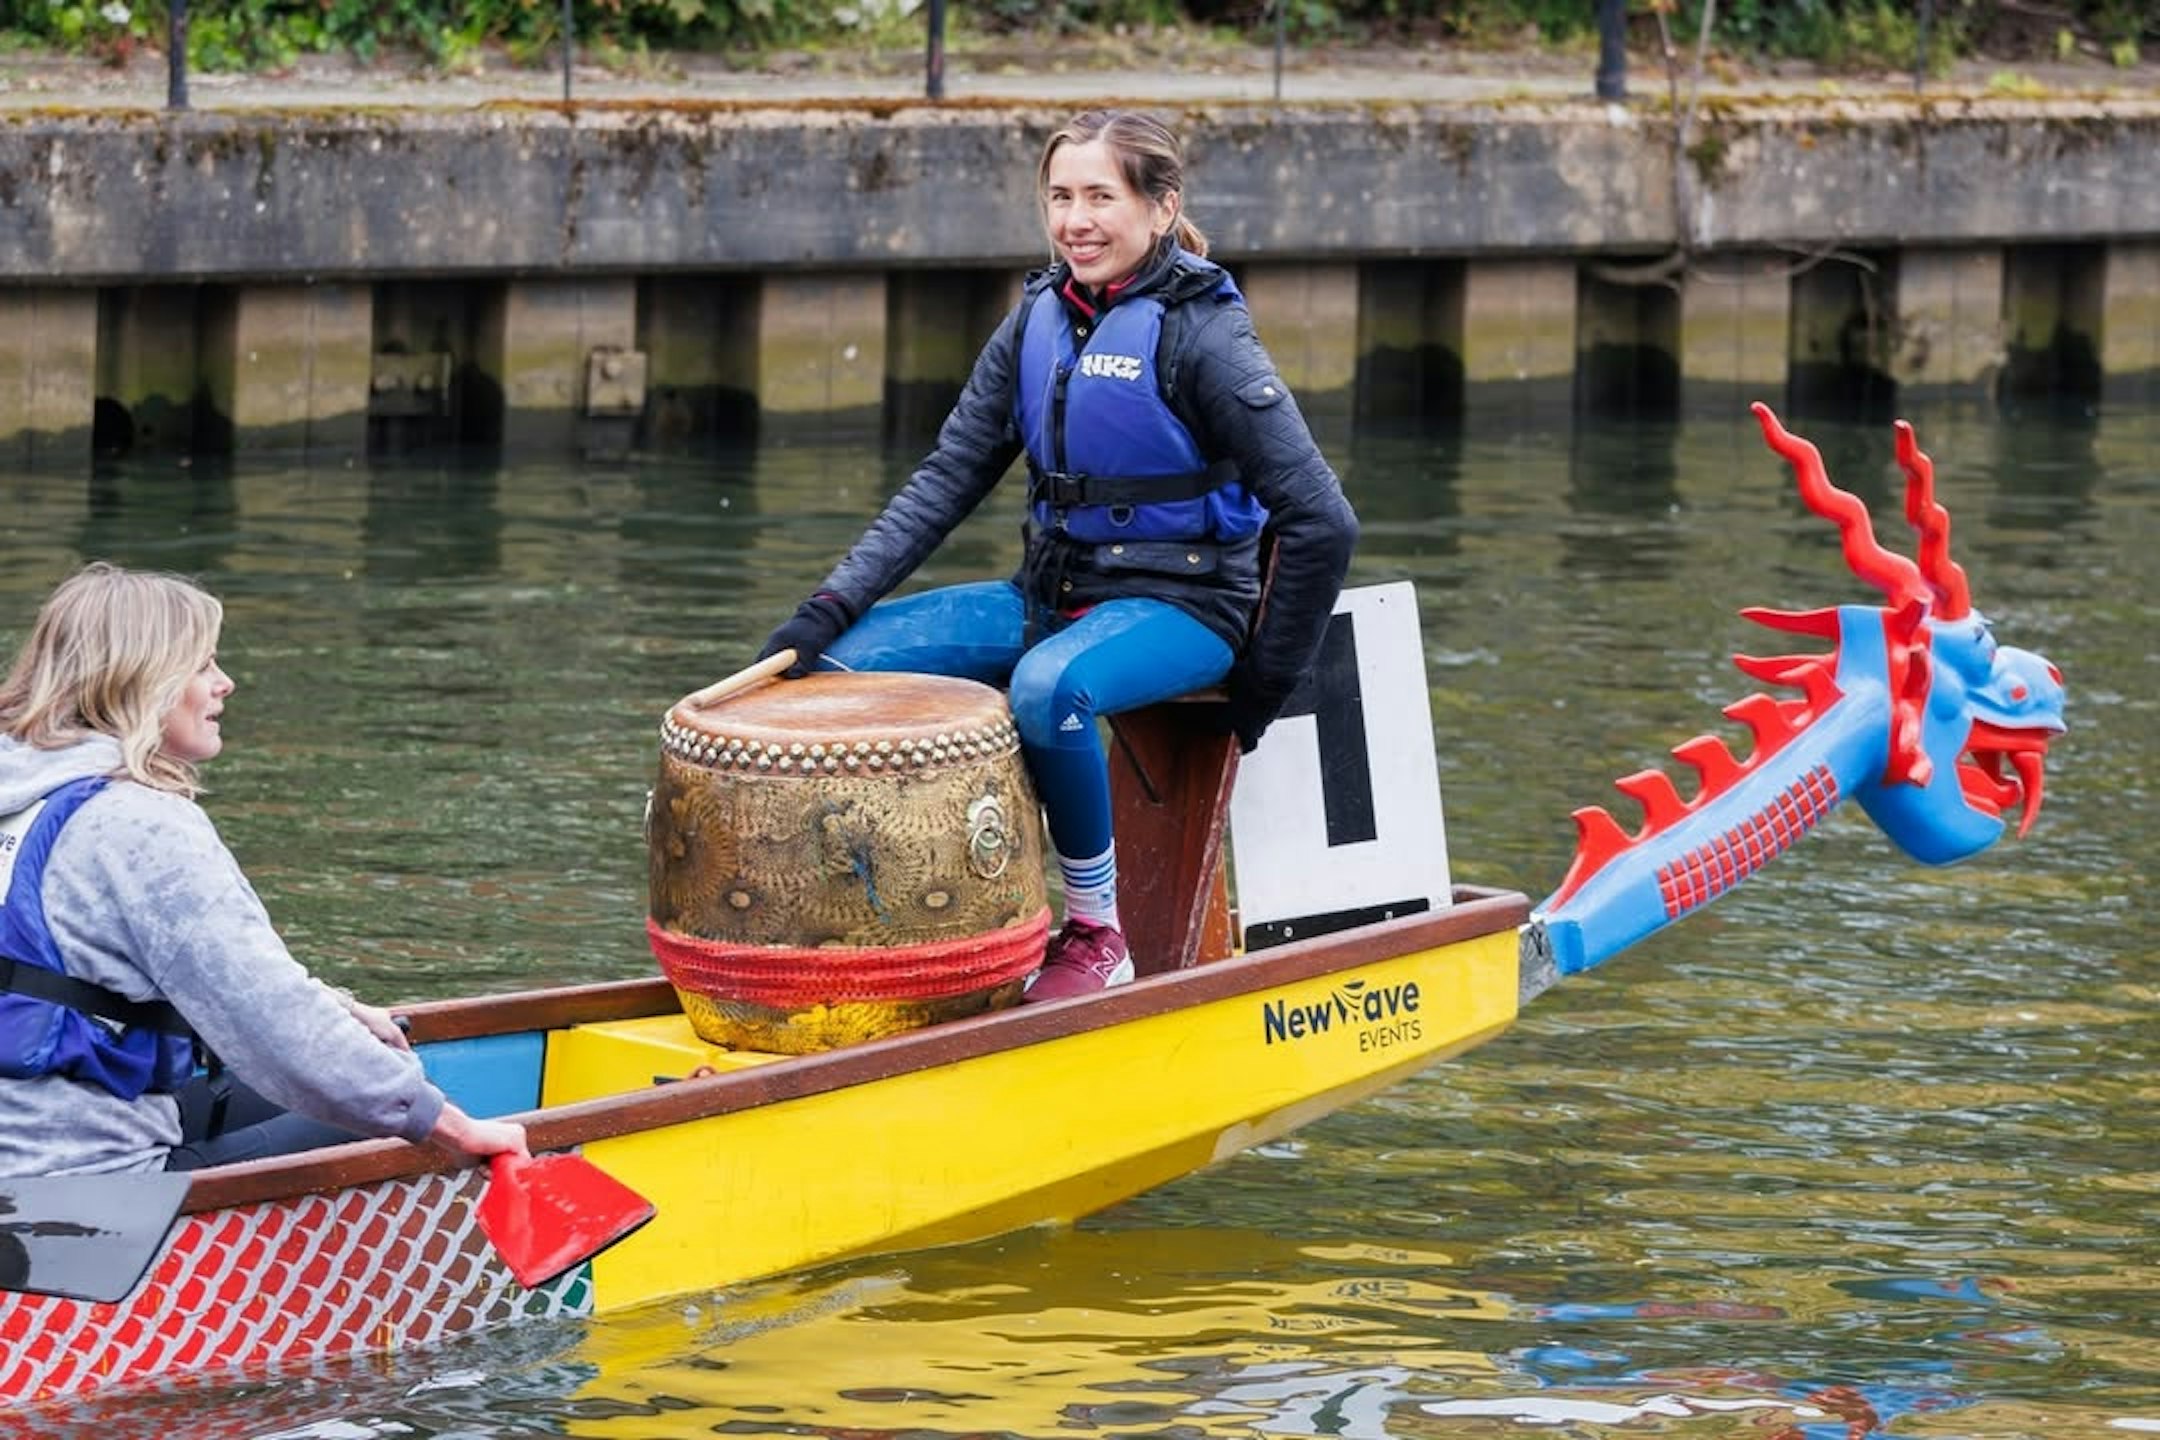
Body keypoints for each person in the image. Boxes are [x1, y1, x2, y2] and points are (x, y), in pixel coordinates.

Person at [758, 109, 1359, 1001]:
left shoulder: (1206, 335)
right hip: (1050, 595)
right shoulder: (1037, 317)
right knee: (830, 675)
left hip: (1185, 610)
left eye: (1100, 197)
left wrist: (1260, 691)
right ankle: (923, 920)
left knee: (1049, 684)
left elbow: (1322, 520)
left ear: (1161, 209)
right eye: (1060, 196)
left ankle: (1095, 932)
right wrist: (827, 608)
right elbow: (943, 481)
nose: (1075, 219)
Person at [0, 561, 529, 1177]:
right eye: (203, 665)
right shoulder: (136, 824)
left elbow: (123, 969)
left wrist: (335, 1006)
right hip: (85, 1190)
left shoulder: (24, 794)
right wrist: (451, 1128)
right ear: (142, 678)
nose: (224, 684)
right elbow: (276, 1026)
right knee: (406, 1097)